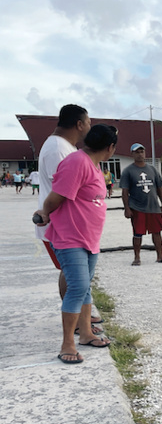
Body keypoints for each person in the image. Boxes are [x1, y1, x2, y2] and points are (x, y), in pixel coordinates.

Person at [34, 124, 117, 364]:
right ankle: (67, 344)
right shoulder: (77, 162)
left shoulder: (93, 165)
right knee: (78, 287)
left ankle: (86, 334)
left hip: (88, 237)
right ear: (110, 148)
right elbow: (55, 196)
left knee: (85, 286)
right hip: (70, 237)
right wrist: (45, 212)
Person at [36, 105, 94, 315]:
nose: (90, 127)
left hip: (69, 225)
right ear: (79, 124)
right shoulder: (57, 149)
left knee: (73, 273)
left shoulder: (64, 147)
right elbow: (62, 190)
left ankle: (80, 317)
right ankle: (76, 320)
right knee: (71, 274)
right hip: (61, 226)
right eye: (88, 122)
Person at [120, 143, 162, 266]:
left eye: (142, 152)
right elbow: (125, 191)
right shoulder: (128, 171)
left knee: (157, 232)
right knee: (138, 233)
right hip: (137, 207)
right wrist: (127, 208)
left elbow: (159, 188)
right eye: (137, 152)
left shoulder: (152, 169)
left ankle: (160, 256)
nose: (140, 154)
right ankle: (137, 257)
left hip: (153, 207)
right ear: (132, 154)